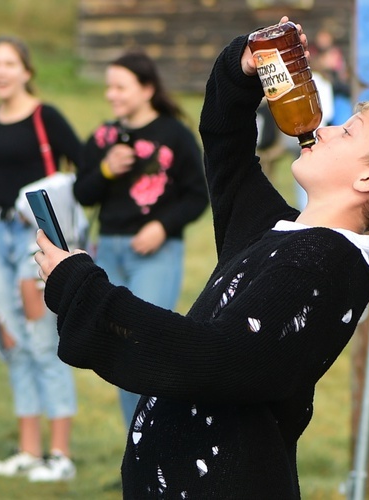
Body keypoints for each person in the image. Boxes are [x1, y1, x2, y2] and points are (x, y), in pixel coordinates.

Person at [33, 17, 369, 498]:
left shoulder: (324, 266)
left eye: (349, 133)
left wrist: (81, 287)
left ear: (368, 180)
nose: (327, 129)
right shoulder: (282, 234)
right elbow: (227, 146)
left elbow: (214, 358)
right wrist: (244, 67)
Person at [0, 36, 81, 482]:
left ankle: (60, 456)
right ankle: (29, 452)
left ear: (27, 70)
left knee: (41, 343)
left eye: (9, 63)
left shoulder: (45, 116)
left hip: (35, 244)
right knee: (11, 343)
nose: (0, 71)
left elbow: (83, 169)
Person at [73, 50, 209, 427]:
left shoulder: (175, 135)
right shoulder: (103, 137)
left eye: (120, 87)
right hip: (109, 252)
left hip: (156, 252)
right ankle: (137, 450)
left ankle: (160, 444)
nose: (111, 95)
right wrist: (105, 169)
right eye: (108, 88)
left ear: (147, 88)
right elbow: (83, 194)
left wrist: (162, 227)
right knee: (120, 353)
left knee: (145, 347)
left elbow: (199, 195)